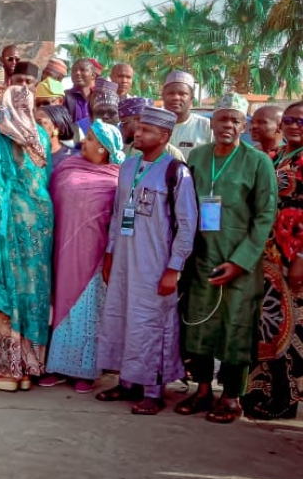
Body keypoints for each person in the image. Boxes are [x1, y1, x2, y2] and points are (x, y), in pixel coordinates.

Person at [181, 92, 277, 424]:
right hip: (202, 256)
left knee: (237, 327)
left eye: (236, 120)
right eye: (223, 118)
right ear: (211, 122)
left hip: (240, 262)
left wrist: (240, 261)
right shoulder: (197, 157)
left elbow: (265, 215)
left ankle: (233, 396)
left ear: (244, 125)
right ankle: (203, 388)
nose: (229, 125)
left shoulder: (258, 161)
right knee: (199, 324)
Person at [96, 106, 197, 415]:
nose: (138, 133)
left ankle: (153, 391)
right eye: (138, 128)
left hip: (155, 262)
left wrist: (174, 268)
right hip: (125, 257)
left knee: (151, 323)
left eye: (147, 130)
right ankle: (128, 382)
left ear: (165, 136)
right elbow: (116, 215)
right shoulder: (127, 166)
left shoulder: (175, 171)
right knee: (123, 317)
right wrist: (111, 254)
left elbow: (188, 223)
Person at [0, 85, 52, 391]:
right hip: (39, 227)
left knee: (3, 292)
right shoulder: (40, 136)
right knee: (30, 293)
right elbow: (46, 179)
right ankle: (28, 370)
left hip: (6, 229)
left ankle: (4, 372)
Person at [42, 121, 124, 393]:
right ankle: (55, 367)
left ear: (103, 149)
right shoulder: (67, 167)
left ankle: (85, 372)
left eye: (89, 139)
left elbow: (117, 223)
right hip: (61, 251)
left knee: (86, 312)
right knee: (58, 307)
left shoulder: (116, 179)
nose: (83, 143)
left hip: (94, 258)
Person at [242, 101, 303, 419]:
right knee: (269, 328)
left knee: (292, 334)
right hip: (270, 257)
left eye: (301, 121)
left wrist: (301, 259)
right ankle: (266, 391)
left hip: (295, 260)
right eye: (290, 120)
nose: (294, 126)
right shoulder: (278, 157)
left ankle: (287, 399)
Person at [119, 97, 185, 161]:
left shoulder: (171, 153)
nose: (121, 126)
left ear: (139, 120)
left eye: (124, 122)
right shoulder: (123, 150)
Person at [162, 70, 212, 152]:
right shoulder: (152, 127)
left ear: (191, 98)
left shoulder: (206, 126)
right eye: (171, 93)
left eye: (182, 94)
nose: (176, 97)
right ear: (163, 96)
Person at [36, 104, 75, 168]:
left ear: (57, 127)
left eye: (39, 123)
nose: (35, 127)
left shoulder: (72, 158)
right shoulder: (29, 158)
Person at [64, 58, 97, 124]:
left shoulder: (98, 99)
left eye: (82, 70)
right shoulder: (64, 97)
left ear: (93, 75)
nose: (77, 73)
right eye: (74, 70)